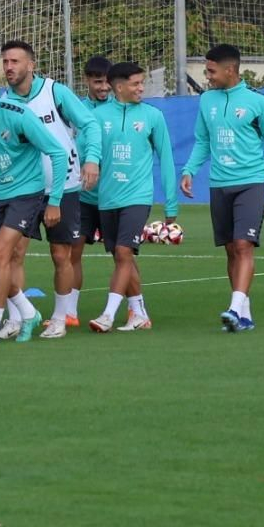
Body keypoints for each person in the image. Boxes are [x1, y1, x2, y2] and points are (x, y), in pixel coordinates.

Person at [180, 44, 264, 333]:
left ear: (230, 70)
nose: (208, 76)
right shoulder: (206, 101)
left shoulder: (259, 102)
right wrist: (189, 170)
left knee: (243, 245)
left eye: (211, 71)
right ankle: (244, 315)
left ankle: (234, 308)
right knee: (230, 249)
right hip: (219, 184)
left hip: (251, 183)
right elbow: (202, 141)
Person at [0, 76, 70, 348]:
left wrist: (54, 200)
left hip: (26, 193)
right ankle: (29, 313)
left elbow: (58, 152)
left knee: (1, 254)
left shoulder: (19, 117)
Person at [0, 39, 100, 339]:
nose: (9, 67)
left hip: (64, 185)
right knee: (13, 253)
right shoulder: (5, 102)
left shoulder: (55, 92)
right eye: (5, 62)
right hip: (23, 189)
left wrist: (91, 159)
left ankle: (60, 316)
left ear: (31, 65)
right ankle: (17, 317)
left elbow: (90, 124)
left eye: (15, 61)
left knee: (60, 254)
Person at [88, 61, 178, 333]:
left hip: (138, 196)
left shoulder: (152, 116)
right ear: (118, 87)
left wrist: (171, 203)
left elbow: (167, 158)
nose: (142, 88)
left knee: (124, 251)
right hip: (107, 198)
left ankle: (107, 314)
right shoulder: (98, 117)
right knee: (121, 257)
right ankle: (139, 313)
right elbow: (89, 152)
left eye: (142, 83)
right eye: (136, 83)